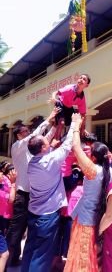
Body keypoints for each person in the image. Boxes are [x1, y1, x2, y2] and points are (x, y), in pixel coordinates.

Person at [21, 113, 80, 272]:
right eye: (46, 143)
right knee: (41, 255)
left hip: (33, 213)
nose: (49, 141)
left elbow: (42, 142)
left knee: (30, 249)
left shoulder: (31, 159)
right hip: (47, 216)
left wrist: (56, 126)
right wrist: (74, 123)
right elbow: (67, 145)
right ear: (43, 148)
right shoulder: (51, 160)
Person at [6, 108, 58, 266]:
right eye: (26, 132)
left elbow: (45, 139)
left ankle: (18, 259)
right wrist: (48, 119)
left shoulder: (31, 150)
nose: (29, 133)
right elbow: (35, 135)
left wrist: (56, 126)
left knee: (30, 229)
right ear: (19, 135)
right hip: (22, 195)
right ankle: (7, 261)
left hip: (34, 196)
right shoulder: (17, 147)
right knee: (16, 231)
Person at [64, 117, 111, 272]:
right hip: (94, 217)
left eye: (90, 151)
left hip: (85, 220)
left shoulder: (92, 170)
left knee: (81, 257)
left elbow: (76, 147)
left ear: (95, 156)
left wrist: (76, 125)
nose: (87, 152)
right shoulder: (107, 170)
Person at [48, 73, 91, 139]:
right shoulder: (69, 88)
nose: (81, 79)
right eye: (80, 78)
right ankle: (56, 140)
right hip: (61, 103)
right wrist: (53, 98)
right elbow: (56, 92)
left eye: (84, 79)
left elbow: (83, 115)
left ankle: (66, 138)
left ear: (87, 85)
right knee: (61, 122)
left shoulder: (82, 98)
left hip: (69, 107)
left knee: (74, 122)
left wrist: (83, 128)